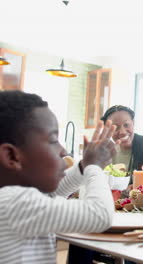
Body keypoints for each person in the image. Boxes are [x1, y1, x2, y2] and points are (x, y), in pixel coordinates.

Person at [0, 91, 116, 263]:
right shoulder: (15, 202)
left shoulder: (12, 199)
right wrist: (94, 166)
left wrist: (84, 166)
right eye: (54, 140)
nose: (63, 151)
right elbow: (100, 214)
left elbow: (55, 193)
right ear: (11, 156)